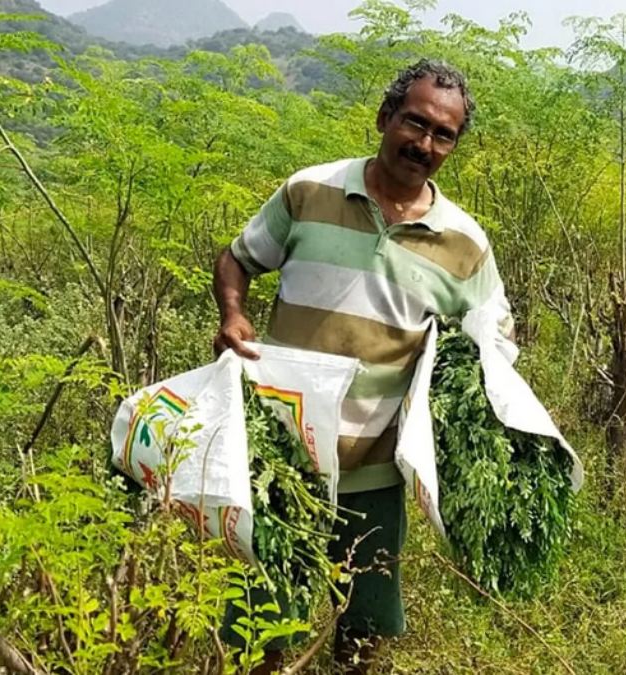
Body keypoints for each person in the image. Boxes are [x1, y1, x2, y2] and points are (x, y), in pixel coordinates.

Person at [211, 58, 516, 675]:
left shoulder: (464, 243)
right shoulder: (309, 191)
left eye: (443, 135)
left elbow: (496, 339)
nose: (424, 144)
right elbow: (237, 258)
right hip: (281, 461)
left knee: (364, 629)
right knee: (260, 625)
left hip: (374, 470)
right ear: (384, 117)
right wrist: (234, 315)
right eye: (415, 123)